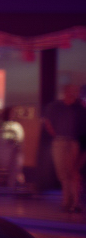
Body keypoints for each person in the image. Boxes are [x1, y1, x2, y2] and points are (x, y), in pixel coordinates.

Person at [42, 83, 86, 212]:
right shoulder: (55, 106)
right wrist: (58, 135)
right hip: (60, 141)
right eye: (71, 91)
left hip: (73, 141)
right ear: (65, 92)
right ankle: (67, 200)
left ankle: (74, 202)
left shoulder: (80, 108)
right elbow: (48, 123)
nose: (73, 93)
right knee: (63, 172)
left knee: (72, 171)